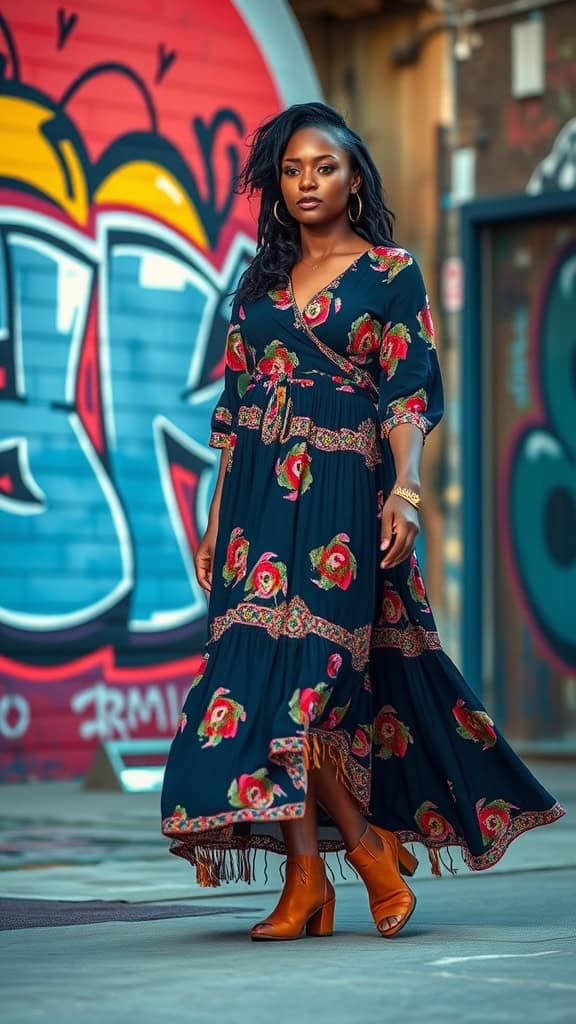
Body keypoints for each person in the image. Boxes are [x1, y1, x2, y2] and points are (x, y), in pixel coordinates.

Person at [161, 102, 564, 941]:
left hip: (344, 491)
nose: (308, 182)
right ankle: (316, 875)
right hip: (253, 506)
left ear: (354, 178)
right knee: (259, 681)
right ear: (277, 184)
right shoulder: (259, 286)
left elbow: (409, 392)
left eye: (326, 167)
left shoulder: (389, 272)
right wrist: (210, 522)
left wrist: (405, 492)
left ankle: (366, 853)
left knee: (307, 682)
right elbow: (233, 414)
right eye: (292, 169)